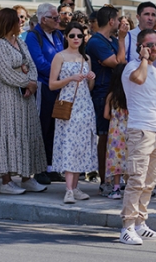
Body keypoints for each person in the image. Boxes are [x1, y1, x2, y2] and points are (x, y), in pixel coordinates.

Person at [0, 8, 48, 194]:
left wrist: (31, 83)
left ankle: (27, 177)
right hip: (4, 97)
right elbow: (5, 72)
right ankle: (6, 181)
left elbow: (31, 65)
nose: (21, 23)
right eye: (17, 20)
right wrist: (28, 82)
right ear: (7, 22)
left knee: (26, 131)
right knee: (6, 131)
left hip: (24, 97)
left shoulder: (20, 42)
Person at [119, 29, 156, 245]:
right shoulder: (132, 68)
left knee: (150, 181)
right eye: (149, 45)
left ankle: (141, 223)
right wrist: (143, 59)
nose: (153, 49)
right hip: (139, 130)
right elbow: (139, 80)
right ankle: (127, 226)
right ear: (140, 46)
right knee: (136, 179)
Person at [49, 22, 98, 203]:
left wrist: (91, 77)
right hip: (68, 103)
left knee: (81, 144)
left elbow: (89, 87)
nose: (76, 39)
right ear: (66, 37)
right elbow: (52, 84)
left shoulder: (86, 58)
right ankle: (68, 189)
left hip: (85, 105)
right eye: (72, 36)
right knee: (69, 143)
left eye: (79, 36)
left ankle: (75, 187)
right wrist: (70, 78)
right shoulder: (59, 57)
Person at [86, 5, 128, 194]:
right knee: (104, 136)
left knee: (114, 138)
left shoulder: (110, 40)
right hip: (103, 92)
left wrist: (119, 45)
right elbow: (118, 63)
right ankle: (105, 180)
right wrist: (121, 39)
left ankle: (114, 178)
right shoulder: (96, 42)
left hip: (114, 90)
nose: (120, 23)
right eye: (118, 20)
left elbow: (122, 62)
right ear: (111, 21)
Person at [26, 3, 66, 184]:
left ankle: (51, 165)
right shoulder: (34, 37)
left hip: (59, 87)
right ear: (44, 19)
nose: (59, 21)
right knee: (42, 126)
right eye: (55, 18)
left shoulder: (58, 35)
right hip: (44, 86)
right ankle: (38, 168)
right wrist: (60, 74)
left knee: (54, 126)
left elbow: (64, 56)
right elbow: (38, 62)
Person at [104, 63, 129, 199]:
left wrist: (115, 118)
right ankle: (132, 186)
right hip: (129, 130)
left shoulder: (111, 96)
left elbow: (105, 115)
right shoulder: (130, 94)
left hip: (115, 133)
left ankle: (116, 188)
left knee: (116, 160)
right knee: (129, 158)